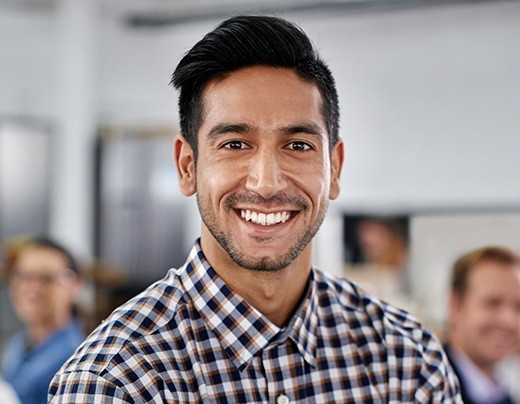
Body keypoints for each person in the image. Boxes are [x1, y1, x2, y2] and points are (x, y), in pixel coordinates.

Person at [49, 15, 461, 402]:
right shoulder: (116, 382)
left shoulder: (406, 361)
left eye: (298, 145)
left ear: (334, 169)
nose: (267, 182)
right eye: (234, 145)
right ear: (188, 166)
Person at [1, 237, 85, 404]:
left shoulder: (77, 359)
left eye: (46, 278)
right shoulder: (16, 346)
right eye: (23, 276)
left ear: (75, 285)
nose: (32, 288)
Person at [444, 246, 520, 404]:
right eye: (493, 303)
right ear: (455, 306)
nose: (509, 321)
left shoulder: (501, 393)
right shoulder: (422, 388)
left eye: (518, 307)